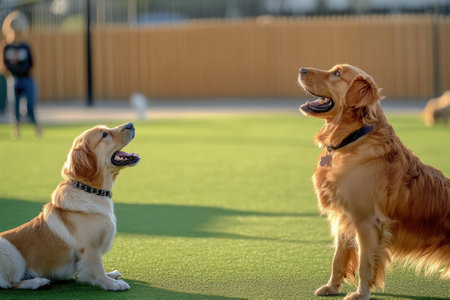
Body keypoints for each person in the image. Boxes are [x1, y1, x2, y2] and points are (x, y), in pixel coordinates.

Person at [2, 11, 41, 138]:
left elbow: (31, 64)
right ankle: (16, 130)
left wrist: (21, 70)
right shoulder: (6, 47)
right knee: (14, 106)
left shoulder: (25, 46)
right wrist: (14, 71)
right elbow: (5, 66)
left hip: (27, 80)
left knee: (30, 106)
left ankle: (37, 127)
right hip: (13, 80)